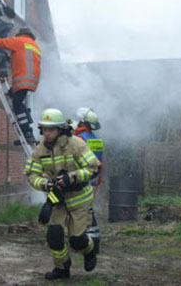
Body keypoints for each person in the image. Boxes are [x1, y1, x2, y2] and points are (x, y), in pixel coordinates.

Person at [25, 108, 101, 280]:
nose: (47, 133)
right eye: (44, 129)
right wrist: (45, 184)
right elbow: (31, 175)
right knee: (54, 236)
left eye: (51, 129)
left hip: (79, 198)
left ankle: (90, 251)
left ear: (60, 129)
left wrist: (72, 178)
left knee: (77, 240)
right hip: (58, 199)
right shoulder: (40, 150)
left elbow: (93, 167)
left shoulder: (76, 144)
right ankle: (62, 268)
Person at [0, 27, 41, 144]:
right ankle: (28, 124)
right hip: (31, 80)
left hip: (22, 80)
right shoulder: (35, 46)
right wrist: (9, 58)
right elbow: (23, 60)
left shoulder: (20, 40)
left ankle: (26, 132)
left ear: (22, 34)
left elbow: (1, 42)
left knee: (16, 105)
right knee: (14, 96)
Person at [73, 107, 104, 254]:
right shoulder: (97, 140)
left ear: (83, 122)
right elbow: (100, 162)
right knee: (88, 209)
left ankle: (89, 244)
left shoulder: (80, 139)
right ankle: (94, 240)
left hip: (82, 179)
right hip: (93, 179)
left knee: (82, 211)